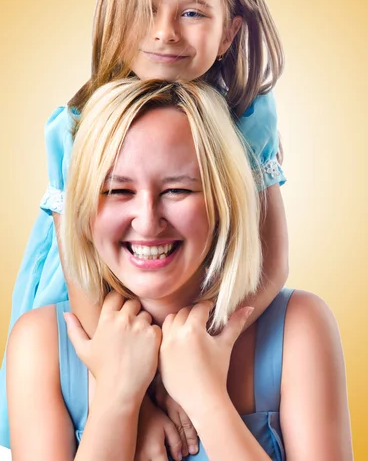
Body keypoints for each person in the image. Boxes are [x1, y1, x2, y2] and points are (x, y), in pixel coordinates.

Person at [0, 0, 288, 455]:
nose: (164, 32)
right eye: (145, 10)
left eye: (193, 13)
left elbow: (271, 261)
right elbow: (80, 275)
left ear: (231, 30)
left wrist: (201, 353)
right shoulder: (76, 127)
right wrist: (143, 398)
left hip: (206, 304)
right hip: (99, 308)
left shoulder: (251, 119)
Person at [7, 79, 352, 460]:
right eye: (118, 191)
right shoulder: (41, 345)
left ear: (224, 200)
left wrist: (206, 400)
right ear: (84, 210)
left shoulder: (299, 328)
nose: (147, 221)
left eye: (177, 190)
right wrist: (117, 401)